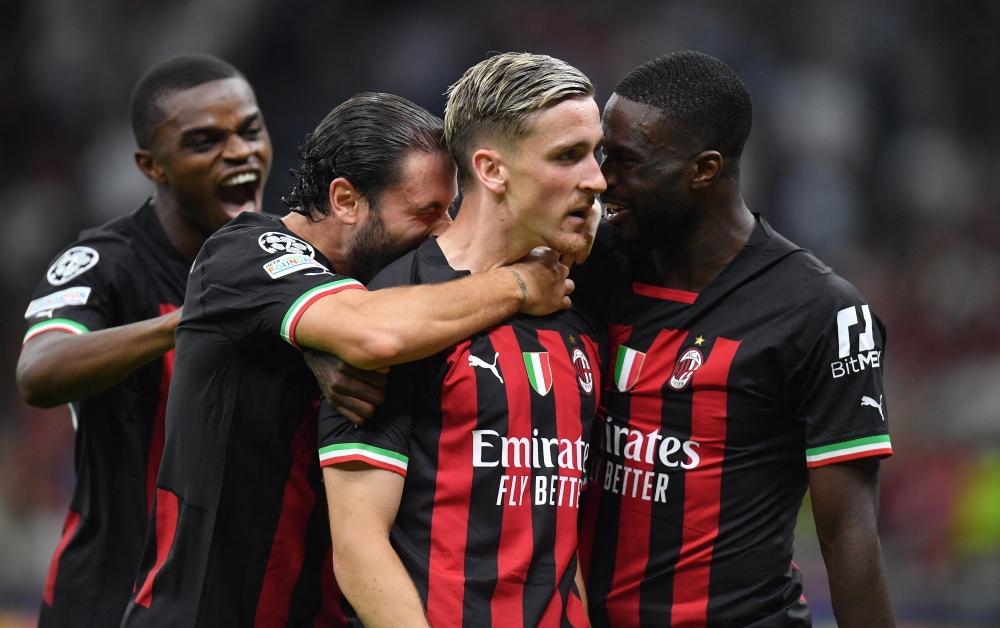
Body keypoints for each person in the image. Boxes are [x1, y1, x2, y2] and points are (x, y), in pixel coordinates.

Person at [120, 92, 578, 628]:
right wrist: (519, 284)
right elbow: (372, 334)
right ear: (345, 200)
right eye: (425, 212)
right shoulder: (245, 252)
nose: (443, 231)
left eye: (450, 209)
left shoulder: (381, 298)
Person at [575, 51, 896, 627]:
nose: (603, 178)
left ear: (704, 170)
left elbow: (848, 533)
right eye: (603, 154)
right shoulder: (591, 264)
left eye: (627, 161)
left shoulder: (820, 311)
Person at [317, 53, 606, 628]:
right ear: (492, 170)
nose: (596, 178)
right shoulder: (396, 312)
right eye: (567, 156)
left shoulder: (573, 301)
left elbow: (556, 536)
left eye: (595, 152)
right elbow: (359, 549)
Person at [15, 53, 272, 628]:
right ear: (152, 165)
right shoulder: (106, 264)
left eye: (250, 130)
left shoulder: (281, 259)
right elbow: (38, 371)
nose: (240, 151)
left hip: (229, 600)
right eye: (206, 140)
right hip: (109, 600)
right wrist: (185, 323)